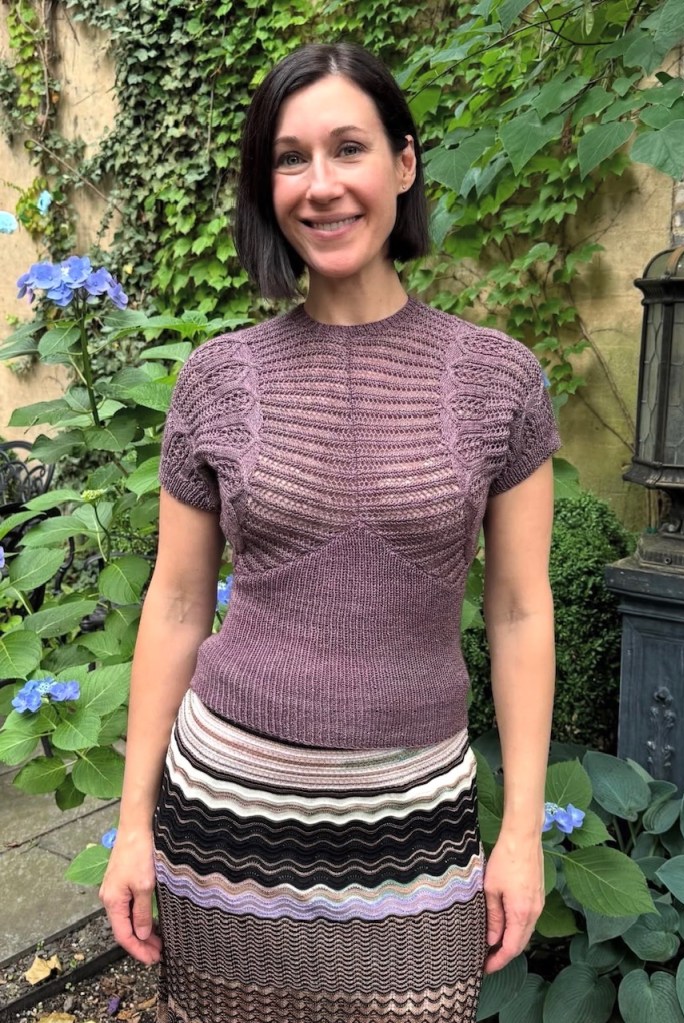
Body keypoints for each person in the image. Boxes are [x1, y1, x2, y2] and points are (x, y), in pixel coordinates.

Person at [100, 41, 559, 1023]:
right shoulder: (217, 378)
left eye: (348, 148)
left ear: (403, 163)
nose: (320, 185)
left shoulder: (499, 381)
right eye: (289, 158)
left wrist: (520, 831)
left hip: (415, 820)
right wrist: (133, 825)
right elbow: (175, 604)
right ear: (266, 188)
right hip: (227, 818)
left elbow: (522, 611)